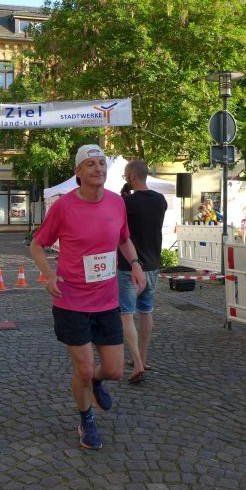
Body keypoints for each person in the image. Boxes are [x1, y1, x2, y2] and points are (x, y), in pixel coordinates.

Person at [30, 144, 145, 450]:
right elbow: (37, 245)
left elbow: (124, 239)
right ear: (78, 172)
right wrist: (49, 275)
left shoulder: (117, 203)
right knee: (82, 368)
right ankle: (86, 419)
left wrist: (135, 264)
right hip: (71, 301)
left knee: (114, 370)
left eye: (102, 163)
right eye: (91, 164)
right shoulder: (63, 207)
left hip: (106, 301)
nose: (98, 168)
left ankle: (96, 382)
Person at [117, 160, 167, 385]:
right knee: (146, 312)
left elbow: (121, 232)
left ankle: (136, 362)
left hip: (129, 266)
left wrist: (124, 197)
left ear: (132, 177)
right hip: (153, 264)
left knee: (127, 314)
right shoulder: (160, 200)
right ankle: (144, 358)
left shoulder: (126, 203)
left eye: (126, 175)